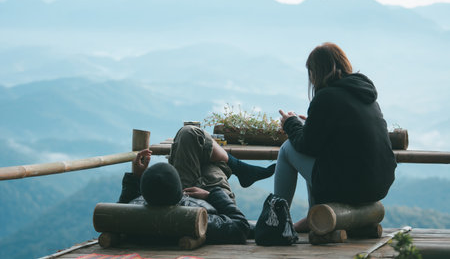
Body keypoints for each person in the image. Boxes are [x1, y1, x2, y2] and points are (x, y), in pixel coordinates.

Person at [274, 42, 397, 232]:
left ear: (317, 71)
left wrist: (290, 123)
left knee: (287, 148)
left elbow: (307, 146)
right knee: (318, 156)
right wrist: (313, 124)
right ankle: (314, 215)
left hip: (349, 186)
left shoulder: (326, 97)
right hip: (379, 184)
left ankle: (277, 220)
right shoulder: (366, 95)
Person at [118, 125, 275, 244]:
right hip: (213, 204)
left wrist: (136, 176)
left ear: (144, 193)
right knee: (193, 137)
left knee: (190, 134)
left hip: (186, 196)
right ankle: (239, 168)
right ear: (177, 186)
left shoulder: (133, 214)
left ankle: (240, 168)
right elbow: (240, 227)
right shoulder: (196, 221)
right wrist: (211, 194)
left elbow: (122, 208)